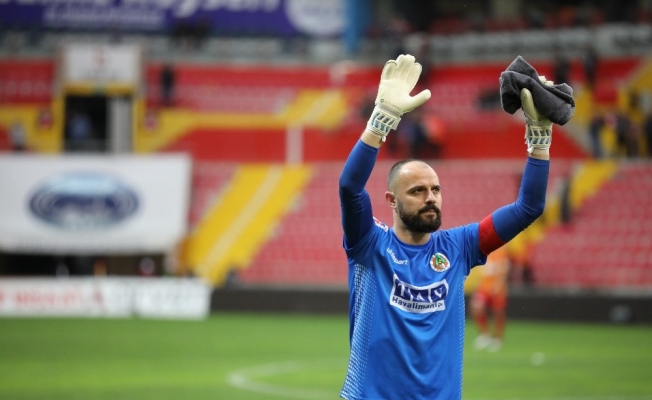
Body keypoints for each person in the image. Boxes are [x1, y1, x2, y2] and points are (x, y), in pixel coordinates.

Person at [338, 54, 553, 399]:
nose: (430, 198)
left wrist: (539, 140)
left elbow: (528, 208)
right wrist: (380, 121)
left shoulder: (460, 247)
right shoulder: (369, 244)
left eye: (435, 190)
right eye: (417, 191)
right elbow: (350, 187)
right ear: (391, 200)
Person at [471, 247, 510, 352]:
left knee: (498, 311)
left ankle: (498, 338)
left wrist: (499, 284)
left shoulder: (500, 251)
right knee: (476, 307)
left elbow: (504, 269)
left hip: (497, 286)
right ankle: (485, 335)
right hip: (484, 287)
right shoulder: (482, 250)